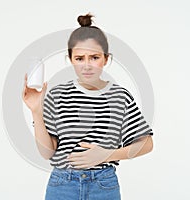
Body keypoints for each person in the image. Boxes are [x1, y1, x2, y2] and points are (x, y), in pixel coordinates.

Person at [22, 13, 154, 200]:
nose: (87, 66)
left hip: (103, 185)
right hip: (62, 185)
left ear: (106, 59)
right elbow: (47, 152)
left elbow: (146, 143)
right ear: (70, 59)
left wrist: (106, 155)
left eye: (94, 57)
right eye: (79, 58)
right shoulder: (57, 94)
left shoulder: (120, 96)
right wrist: (36, 111)